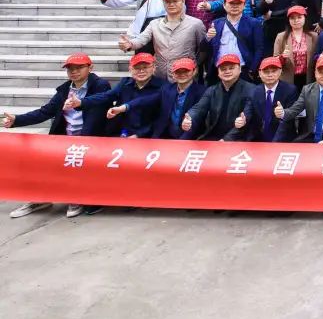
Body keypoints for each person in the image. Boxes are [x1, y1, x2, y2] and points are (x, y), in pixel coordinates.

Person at [2, 53, 110, 219]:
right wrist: (17, 120)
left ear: (90, 68)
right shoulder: (64, 90)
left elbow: (98, 111)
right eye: (70, 68)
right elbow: (45, 112)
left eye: (79, 67)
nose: (74, 71)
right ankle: (40, 198)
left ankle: (76, 198)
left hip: (90, 139)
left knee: (75, 162)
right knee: (40, 160)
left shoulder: (100, 86)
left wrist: (84, 140)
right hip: (64, 139)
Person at [120, 0, 207, 79]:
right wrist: (130, 44)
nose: (171, 4)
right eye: (167, 2)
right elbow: (142, 39)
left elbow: (203, 48)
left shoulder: (195, 24)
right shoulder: (154, 24)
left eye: (175, 1)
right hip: (160, 74)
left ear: (183, 1)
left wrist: (194, 64)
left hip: (184, 74)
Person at [79, 53, 165, 138]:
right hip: (124, 134)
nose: (141, 71)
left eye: (145, 67)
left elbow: (161, 119)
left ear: (154, 68)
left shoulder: (163, 87)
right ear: (130, 69)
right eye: (137, 68)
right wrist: (81, 102)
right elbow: (107, 96)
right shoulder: (125, 83)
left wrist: (139, 135)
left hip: (151, 136)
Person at [180, 53, 256, 141]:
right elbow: (199, 108)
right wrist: (189, 118)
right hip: (214, 137)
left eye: (231, 68)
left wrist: (226, 140)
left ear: (240, 69)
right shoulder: (212, 90)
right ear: (218, 73)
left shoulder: (251, 90)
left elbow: (247, 116)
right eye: (223, 69)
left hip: (241, 139)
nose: (227, 71)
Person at [128, 57, 206, 140]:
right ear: (173, 74)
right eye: (178, 71)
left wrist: (182, 141)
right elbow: (148, 100)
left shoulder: (202, 92)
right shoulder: (167, 89)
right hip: (165, 137)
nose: (182, 74)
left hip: (191, 138)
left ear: (194, 71)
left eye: (186, 71)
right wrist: (126, 106)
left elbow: (197, 120)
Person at [205, 0, 262, 82]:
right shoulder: (216, 23)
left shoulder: (254, 23)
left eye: (238, 3)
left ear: (244, 5)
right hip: (220, 69)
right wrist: (208, 37)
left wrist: (252, 69)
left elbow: (259, 49)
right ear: (224, 5)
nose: (235, 6)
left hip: (244, 69)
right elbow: (205, 48)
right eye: (231, 3)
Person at [246, 56, 300, 142]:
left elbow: (287, 121)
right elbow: (248, 112)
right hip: (258, 140)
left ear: (280, 71)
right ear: (260, 73)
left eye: (274, 71)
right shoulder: (254, 91)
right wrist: (242, 120)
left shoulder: (290, 90)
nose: (270, 75)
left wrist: (274, 143)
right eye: (266, 72)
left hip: (283, 140)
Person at [275, 5, 317, 87]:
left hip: (308, 78)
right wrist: (282, 57)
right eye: (292, 18)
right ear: (288, 20)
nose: (296, 20)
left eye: (299, 17)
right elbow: (275, 61)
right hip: (288, 78)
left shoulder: (314, 36)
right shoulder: (281, 37)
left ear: (304, 18)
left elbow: (316, 57)